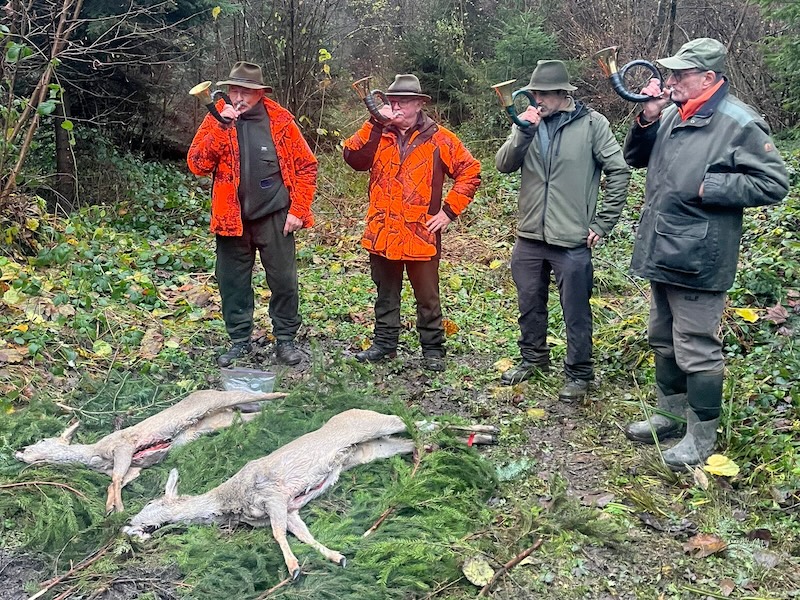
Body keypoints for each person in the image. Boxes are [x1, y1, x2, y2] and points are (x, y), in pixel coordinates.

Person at [622, 38, 789, 469]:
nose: (670, 81)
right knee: (662, 336)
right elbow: (635, 158)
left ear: (709, 78)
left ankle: (701, 436)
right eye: (671, 73)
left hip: (700, 254)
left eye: (680, 74)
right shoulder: (674, 113)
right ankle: (668, 415)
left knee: (696, 345)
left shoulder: (740, 123)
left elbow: (774, 183)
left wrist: (709, 187)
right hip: (662, 245)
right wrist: (646, 118)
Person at [495, 60, 631, 400]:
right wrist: (523, 132)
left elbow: (619, 171)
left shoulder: (592, 124)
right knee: (529, 302)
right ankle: (533, 358)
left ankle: (580, 374)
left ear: (562, 94)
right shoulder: (527, 123)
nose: (536, 99)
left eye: (543, 94)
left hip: (571, 239)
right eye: (534, 93)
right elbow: (504, 165)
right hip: (529, 235)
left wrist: (603, 221)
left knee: (576, 309)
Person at [343, 74, 481, 372]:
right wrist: (376, 122)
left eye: (403, 101)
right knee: (385, 292)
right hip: (382, 230)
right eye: (393, 101)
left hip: (422, 232)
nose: (397, 107)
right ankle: (384, 345)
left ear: (419, 104)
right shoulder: (380, 132)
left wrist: (448, 211)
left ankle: (433, 350)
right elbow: (353, 158)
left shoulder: (440, 138)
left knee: (427, 296)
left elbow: (471, 171)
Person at [187, 62, 317, 367]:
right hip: (231, 217)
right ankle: (239, 342)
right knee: (232, 283)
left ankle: (285, 340)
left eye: (245, 91)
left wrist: (298, 210)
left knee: (284, 281)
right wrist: (222, 127)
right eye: (234, 90)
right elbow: (198, 164)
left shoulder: (281, 121)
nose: (238, 97)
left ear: (259, 94)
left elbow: (306, 166)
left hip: (275, 214)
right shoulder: (217, 115)